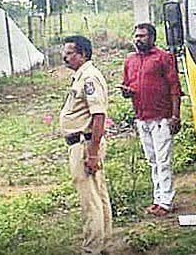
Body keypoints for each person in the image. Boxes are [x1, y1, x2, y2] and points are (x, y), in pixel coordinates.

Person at [117, 24, 182, 217]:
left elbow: (174, 87)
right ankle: (157, 198)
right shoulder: (130, 60)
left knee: (163, 161)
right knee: (152, 160)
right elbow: (128, 85)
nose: (138, 39)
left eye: (143, 36)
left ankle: (167, 201)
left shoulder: (163, 57)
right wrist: (126, 92)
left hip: (161, 117)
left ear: (152, 38)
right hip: (141, 117)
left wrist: (175, 116)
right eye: (136, 36)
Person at [59, 35, 113, 254]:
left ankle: (92, 249)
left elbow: (98, 115)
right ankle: (105, 244)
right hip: (84, 143)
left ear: (83, 54)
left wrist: (92, 154)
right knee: (98, 195)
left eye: (70, 53)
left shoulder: (89, 77)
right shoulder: (81, 76)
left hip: (85, 144)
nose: (65, 57)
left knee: (90, 200)